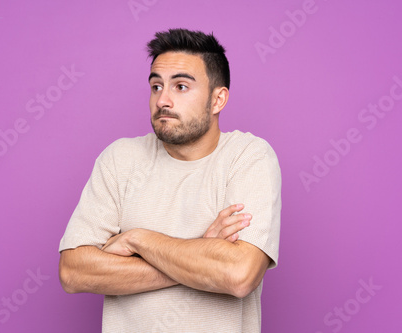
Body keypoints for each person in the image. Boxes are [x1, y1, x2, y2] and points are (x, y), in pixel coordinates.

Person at [58, 28, 281, 333]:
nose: (163, 99)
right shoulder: (120, 159)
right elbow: (73, 272)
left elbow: (239, 274)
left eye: (180, 86)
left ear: (218, 99)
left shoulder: (248, 156)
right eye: (155, 86)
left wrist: (138, 239)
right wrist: (203, 250)